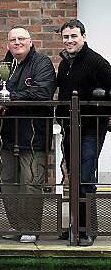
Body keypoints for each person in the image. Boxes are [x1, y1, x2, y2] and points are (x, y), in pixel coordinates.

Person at [0, 27, 57, 243]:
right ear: (7, 44)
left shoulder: (41, 63)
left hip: (33, 137)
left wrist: (9, 100)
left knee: (31, 183)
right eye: (13, 39)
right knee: (6, 181)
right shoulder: (1, 67)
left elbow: (43, 92)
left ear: (30, 42)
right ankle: (16, 225)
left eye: (21, 38)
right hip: (4, 138)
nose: (17, 42)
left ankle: (31, 227)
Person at [57, 19, 111, 246]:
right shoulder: (64, 64)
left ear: (83, 37)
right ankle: (75, 226)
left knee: (86, 180)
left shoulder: (97, 62)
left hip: (90, 129)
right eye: (66, 37)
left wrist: (101, 105)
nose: (69, 41)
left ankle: (87, 230)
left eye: (73, 37)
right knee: (73, 179)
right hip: (69, 129)